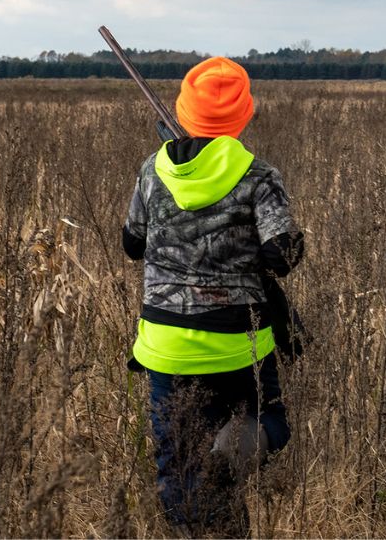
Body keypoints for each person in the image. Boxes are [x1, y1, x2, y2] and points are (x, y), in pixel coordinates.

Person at [122, 56, 304, 536]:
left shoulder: (151, 170)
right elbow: (282, 256)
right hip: (237, 343)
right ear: (245, 117)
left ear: (182, 114)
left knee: (175, 462)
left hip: (164, 345)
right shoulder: (259, 176)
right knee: (273, 424)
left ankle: (196, 516)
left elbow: (131, 244)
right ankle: (223, 467)